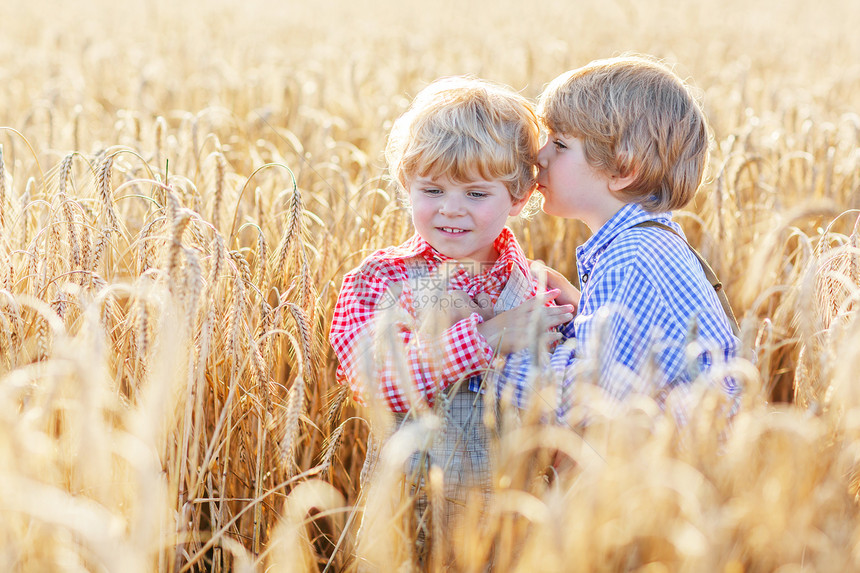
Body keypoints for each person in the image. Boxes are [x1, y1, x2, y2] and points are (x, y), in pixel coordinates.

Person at [329, 76, 574, 554]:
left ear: (520, 196)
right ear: (406, 184)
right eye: (433, 190)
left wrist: (581, 319)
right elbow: (374, 383)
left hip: (511, 526)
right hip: (410, 522)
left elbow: (574, 389)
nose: (451, 210)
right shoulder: (382, 279)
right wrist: (486, 338)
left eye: (477, 194)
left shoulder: (534, 285)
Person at [535, 54, 740, 420]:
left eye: (560, 145)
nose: (540, 155)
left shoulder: (630, 260)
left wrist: (506, 348)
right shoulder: (653, 243)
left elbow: (587, 406)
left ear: (624, 170)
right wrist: (582, 313)